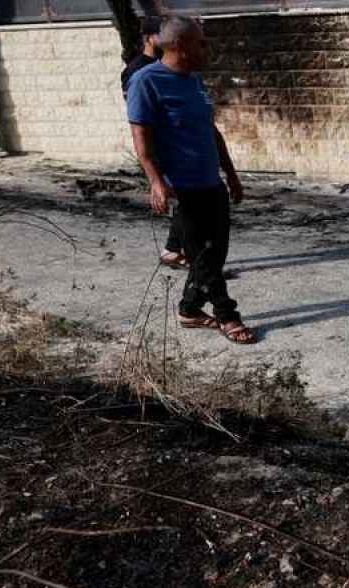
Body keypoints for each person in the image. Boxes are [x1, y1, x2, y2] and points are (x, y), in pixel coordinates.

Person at [126, 17, 258, 345]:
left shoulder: (194, 80)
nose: (206, 48)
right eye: (201, 42)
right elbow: (142, 141)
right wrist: (156, 182)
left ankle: (189, 309)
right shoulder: (146, 81)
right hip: (182, 186)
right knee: (202, 255)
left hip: (210, 181)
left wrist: (231, 174)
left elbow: (211, 132)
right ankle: (227, 314)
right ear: (179, 45)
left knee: (215, 254)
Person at [120, 15, 185, 269]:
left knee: (186, 197)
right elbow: (139, 115)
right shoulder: (138, 71)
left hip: (175, 142)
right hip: (160, 144)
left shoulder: (166, 65)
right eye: (162, 34)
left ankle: (175, 249)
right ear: (150, 38)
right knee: (186, 197)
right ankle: (176, 251)